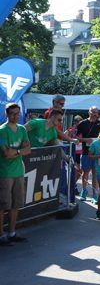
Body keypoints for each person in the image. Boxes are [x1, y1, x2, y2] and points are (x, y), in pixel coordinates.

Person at [0, 103, 31, 245]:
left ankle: (12, 233)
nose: (16, 116)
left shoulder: (22, 129)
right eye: (13, 113)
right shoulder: (2, 130)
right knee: (2, 205)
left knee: (15, 204)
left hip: (19, 171)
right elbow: (6, 154)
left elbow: (28, 149)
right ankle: (1, 236)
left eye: (18, 113)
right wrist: (19, 151)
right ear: (6, 114)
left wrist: (15, 152)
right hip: (4, 173)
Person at [76, 107, 100, 203]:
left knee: (95, 174)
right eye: (93, 112)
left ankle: (95, 194)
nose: (94, 114)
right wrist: (85, 140)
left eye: (96, 112)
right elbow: (76, 137)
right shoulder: (82, 123)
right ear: (89, 112)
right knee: (85, 172)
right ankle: (84, 192)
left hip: (97, 153)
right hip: (86, 152)